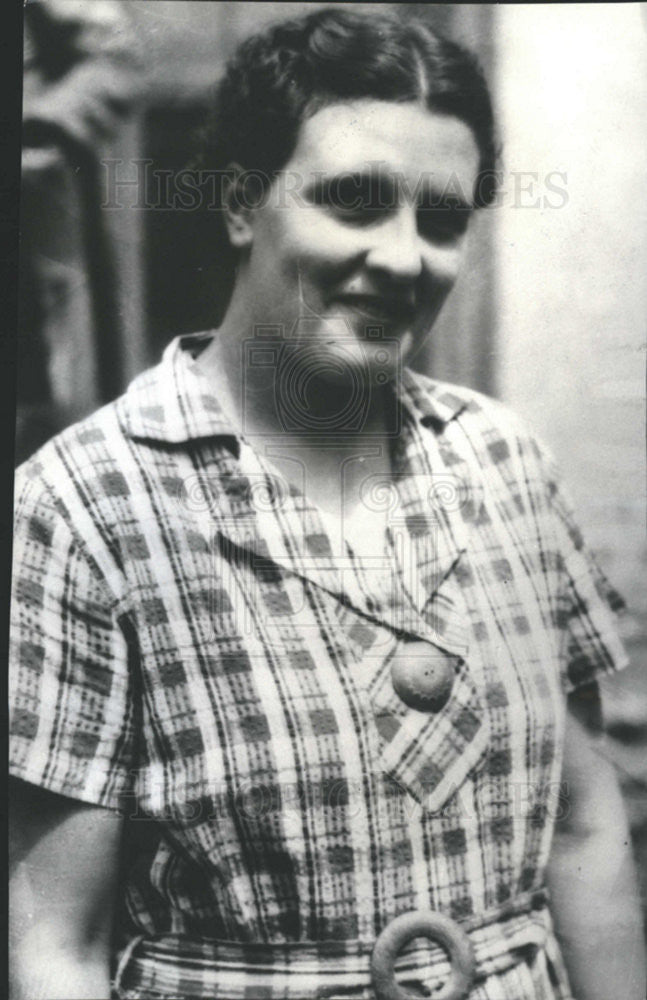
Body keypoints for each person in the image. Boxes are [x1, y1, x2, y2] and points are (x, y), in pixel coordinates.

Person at [9, 8, 645, 1000]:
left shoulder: (501, 463)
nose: (403, 257)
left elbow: (582, 824)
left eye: (440, 220)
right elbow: (57, 937)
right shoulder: (85, 504)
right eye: (352, 201)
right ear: (237, 204)